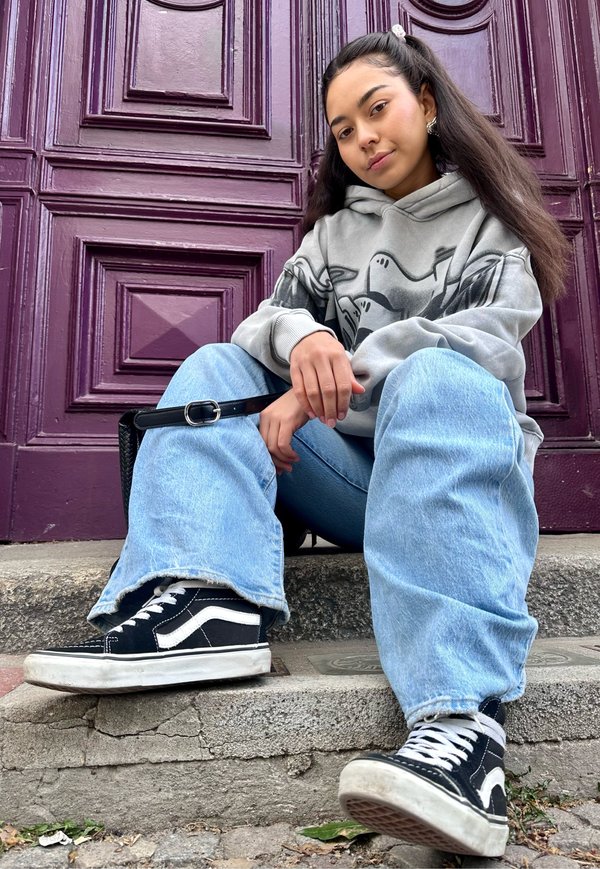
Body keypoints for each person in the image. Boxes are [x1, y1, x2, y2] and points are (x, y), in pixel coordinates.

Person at [23, 25, 569, 858]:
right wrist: (303, 340)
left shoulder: (495, 224)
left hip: (448, 492)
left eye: (376, 109)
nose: (363, 139)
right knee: (216, 361)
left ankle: (463, 730)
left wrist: (339, 370)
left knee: (435, 374)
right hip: (348, 480)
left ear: (426, 102)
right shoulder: (333, 234)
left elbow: (489, 343)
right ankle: (204, 602)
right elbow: (265, 318)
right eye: (343, 129)